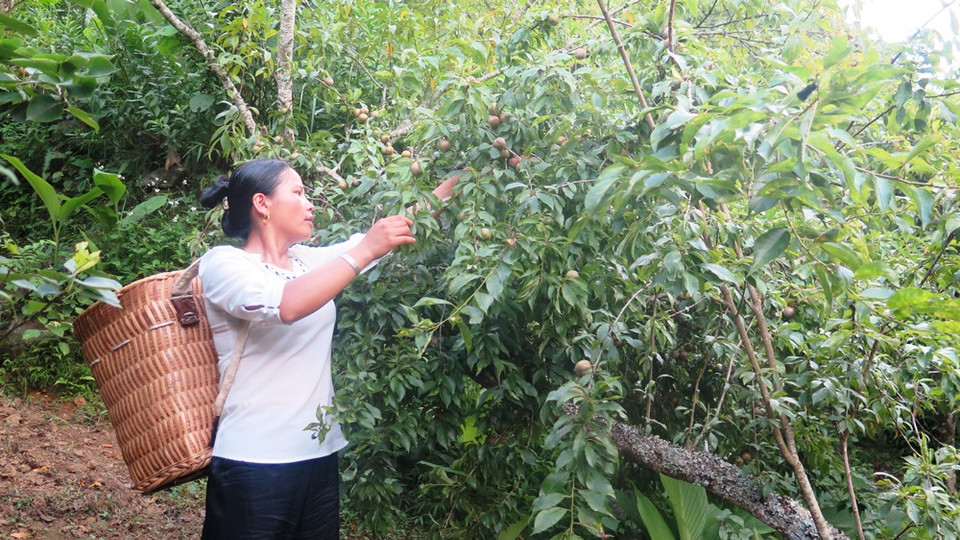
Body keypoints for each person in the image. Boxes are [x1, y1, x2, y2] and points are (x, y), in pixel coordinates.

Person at [196, 158, 458, 539]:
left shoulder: (305, 262)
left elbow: (395, 230)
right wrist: (364, 250)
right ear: (262, 204)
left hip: (317, 457)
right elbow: (287, 305)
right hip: (253, 463)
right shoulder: (224, 263)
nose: (310, 203)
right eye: (298, 193)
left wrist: (465, 177)